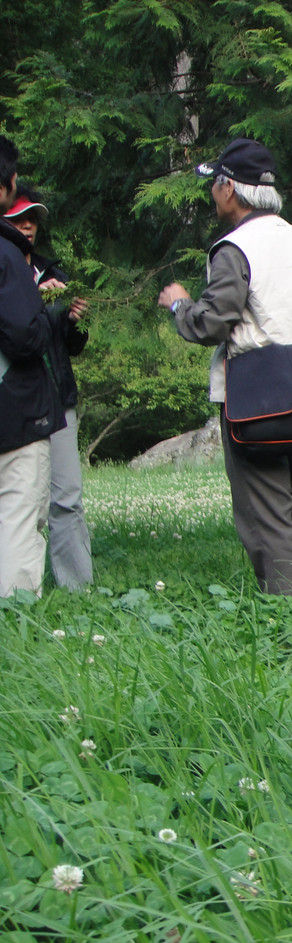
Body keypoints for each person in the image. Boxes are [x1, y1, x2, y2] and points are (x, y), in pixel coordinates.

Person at [157, 137, 292, 595]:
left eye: (214, 183)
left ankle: (287, 613)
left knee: (266, 512)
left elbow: (212, 323)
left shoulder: (234, 248)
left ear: (229, 188)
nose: (212, 192)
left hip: (255, 400)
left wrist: (179, 305)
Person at [5, 187, 92, 589]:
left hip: (57, 396)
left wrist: (73, 320)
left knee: (66, 496)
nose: (28, 226)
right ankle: (16, 590)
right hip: (15, 400)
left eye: (33, 219)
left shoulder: (53, 272)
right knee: (21, 499)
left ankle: (77, 587)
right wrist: (33, 302)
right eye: (19, 218)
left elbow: (71, 346)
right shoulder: (7, 270)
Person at [0, 136, 64, 598]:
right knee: (20, 517)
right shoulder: (6, 254)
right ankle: (15, 619)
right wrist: (44, 312)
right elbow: (25, 336)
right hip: (14, 411)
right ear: (9, 182)